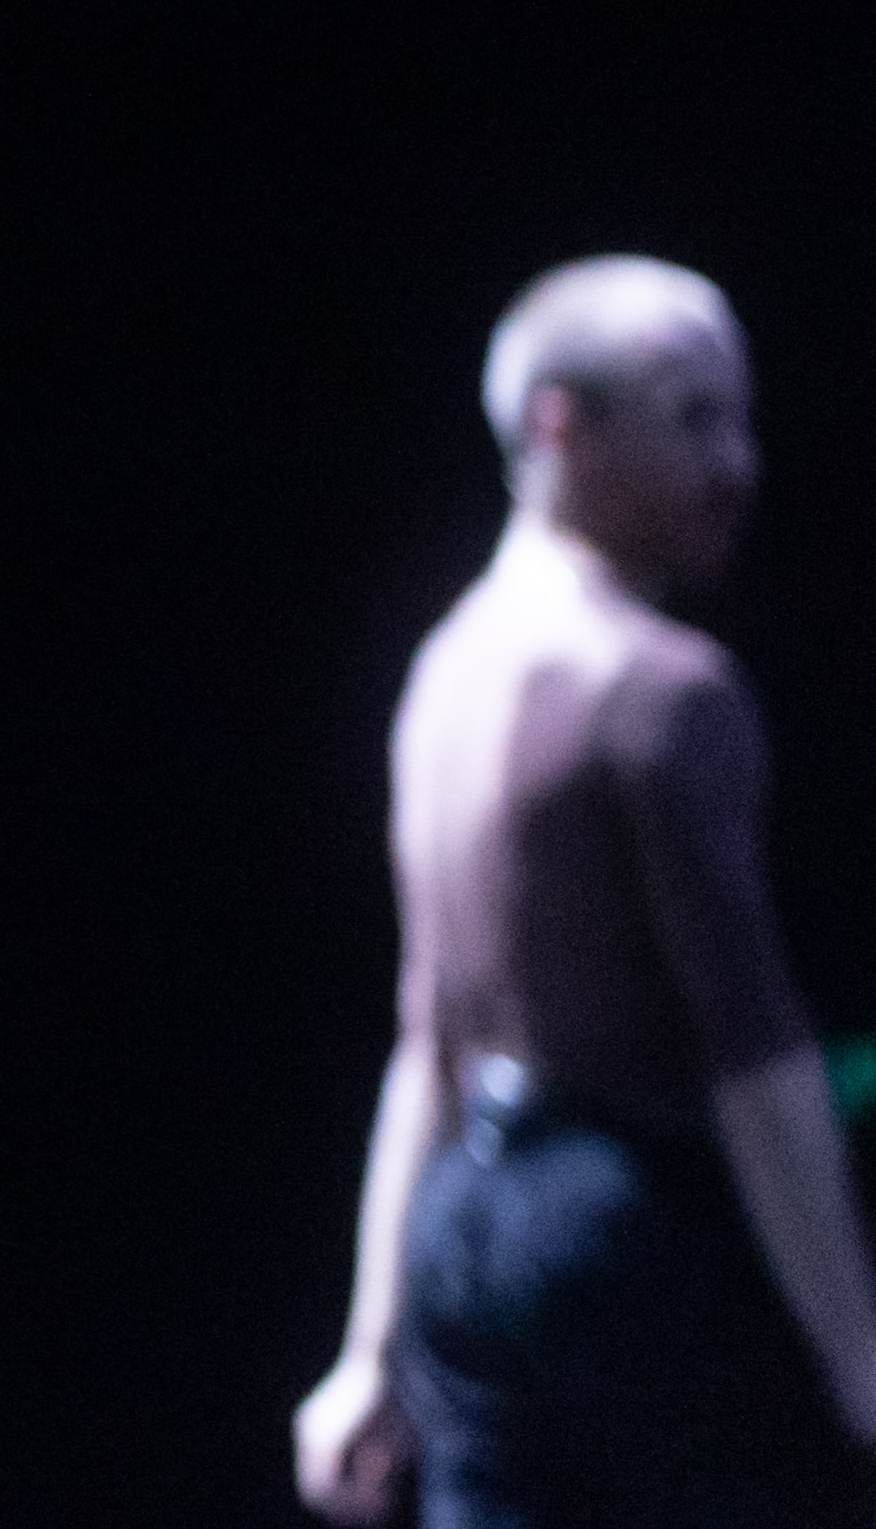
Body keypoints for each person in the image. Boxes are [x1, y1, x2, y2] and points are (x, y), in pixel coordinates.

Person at [292, 256, 876, 1526]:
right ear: (559, 425)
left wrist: (369, 1347)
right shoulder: (657, 690)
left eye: (739, 419)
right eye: (692, 418)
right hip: (624, 1233)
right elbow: (752, 1050)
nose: (736, 465)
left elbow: (428, 1045)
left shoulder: (443, 672)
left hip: (467, 1228)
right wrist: (857, 1360)